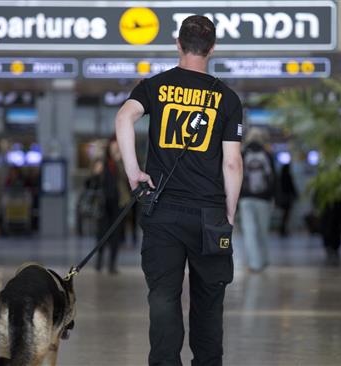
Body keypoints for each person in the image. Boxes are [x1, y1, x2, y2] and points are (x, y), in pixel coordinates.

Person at [115, 15, 243, 366]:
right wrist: (229, 212)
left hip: (163, 212)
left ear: (178, 43)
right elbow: (232, 163)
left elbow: (124, 118)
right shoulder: (227, 98)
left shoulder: (155, 86)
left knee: (164, 299)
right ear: (213, 48)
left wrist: (133, 173)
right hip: (209, 214)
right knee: (209, 302)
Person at [239, 128, 276, 272]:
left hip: (246, 198)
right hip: (264, 198)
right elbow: (273, 178)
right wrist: (273, 196)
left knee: (249, 231)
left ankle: (255, 264)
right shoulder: (267, 154)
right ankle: (264, 259)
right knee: (263, 230)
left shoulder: (242, 153)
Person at [95, 138, 125, 275]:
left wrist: (120, 161)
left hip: (118, 203)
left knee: (115, 235)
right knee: (101, 233)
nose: (115, 149)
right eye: (113, 147)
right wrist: (97, 168)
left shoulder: (124, 161)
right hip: (103, 203)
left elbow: (127, 178)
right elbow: (93, 179)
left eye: (117, 147)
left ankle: (112, 264)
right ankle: (99, 262)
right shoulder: (103, 162)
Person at [276, 163, 298, 237]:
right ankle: (283, 229)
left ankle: (282, 229)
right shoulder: (288, 176)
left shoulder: (280, 177)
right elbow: (292, 187)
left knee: (284, 215)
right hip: (287, 198)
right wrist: (296, 195)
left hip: (283, 198)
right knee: (286, 215)